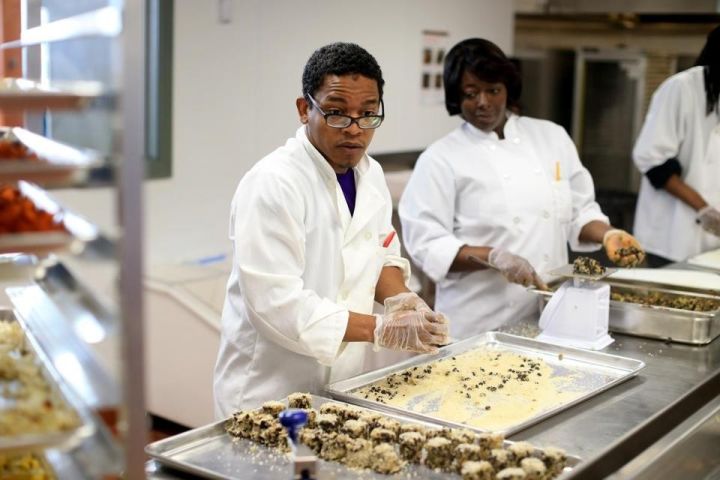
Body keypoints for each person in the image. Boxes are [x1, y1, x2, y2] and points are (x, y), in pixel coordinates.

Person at [213, 42, 448, 417]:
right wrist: (380, 328)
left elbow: (380, 254)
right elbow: (276, 303)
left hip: (343, 382)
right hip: (269, 390)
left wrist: (403, 301)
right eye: (337, 113)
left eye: (367, 114)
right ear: (304, 109)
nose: (354, 130)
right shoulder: (273, 183)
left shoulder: (370, 175)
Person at [398, 38, 644, 337]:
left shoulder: (551, 137)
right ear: (456, 97)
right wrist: (494, 256)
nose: (483, 102)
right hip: (480, 322)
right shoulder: (440, 158)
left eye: (493, 90)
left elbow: (579, 212)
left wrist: (608, 234)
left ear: (508, 89)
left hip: (551, 311)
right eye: (471, 93)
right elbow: (427, 243)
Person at [632, 25, 720, 266]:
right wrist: (705, 210)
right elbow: (653, 160)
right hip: (673, 237)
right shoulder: (682, 88)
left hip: (714, 246)